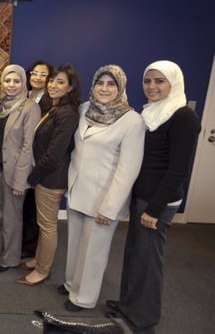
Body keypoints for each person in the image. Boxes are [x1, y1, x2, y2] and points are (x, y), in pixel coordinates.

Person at [107, 61, 201, 332]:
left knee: (148, 261)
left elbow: (178, 170)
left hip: (158, 201)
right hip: (144, 196)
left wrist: (154, 209)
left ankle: (144, 319)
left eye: (159, 81)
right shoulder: (152, 113)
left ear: (174, 83)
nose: (152, 87)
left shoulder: (183, 117)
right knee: (135, 253)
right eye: (148, 81)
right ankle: (127, 304)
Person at [62, 65, 146, 311]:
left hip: (104, 197)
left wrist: (110, 207)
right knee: (76, 243)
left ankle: (84, 297)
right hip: (78, 189)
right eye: (100, 83)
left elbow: (128, 169)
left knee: (94, 251)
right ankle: (71, 284)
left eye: (111, 84)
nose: (104, 89)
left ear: (120, 88)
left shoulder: (132, 121)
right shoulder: (85, 109)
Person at [17, 64, 81, 286]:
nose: (53, 85)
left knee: (47, 226)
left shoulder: (68, 113)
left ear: (71, 87)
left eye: (60, 82)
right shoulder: (55, 108)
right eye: (52, 80)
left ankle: (43, 270)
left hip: (51, 178)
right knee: (43, 223)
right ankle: (38, 259)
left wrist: (32, 177)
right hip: (45, 176)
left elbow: (54, 155)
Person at [0, 65, 41, 272]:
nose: (11, 85)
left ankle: (10, 258)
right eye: (7, 80)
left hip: (15, 173)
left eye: (16, 81)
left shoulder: (30, 108)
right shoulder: (0, 105)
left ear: (23, 83)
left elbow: (28, 146)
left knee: (12, 218)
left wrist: (21, 179)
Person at [22, 60, 54, 259]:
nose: (38, 77)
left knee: (34, 208)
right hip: (20, 159)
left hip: (37, 161)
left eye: (43, 74)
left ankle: (31, 248)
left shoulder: (51, 102)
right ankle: (22, 242)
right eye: (35, 72)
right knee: (22, 206)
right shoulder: (22, 96)